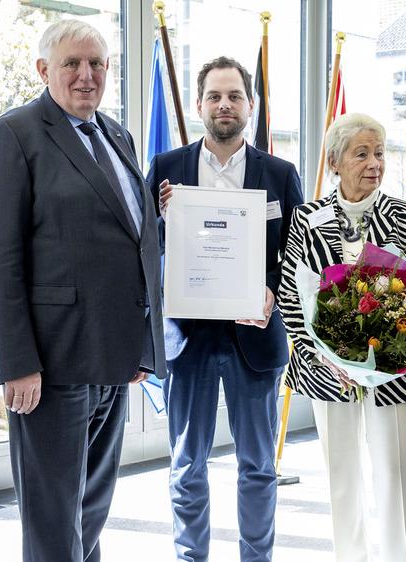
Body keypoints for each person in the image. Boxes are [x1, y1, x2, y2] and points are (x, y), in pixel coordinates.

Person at [0, 20, 165, 562]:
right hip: (49, 367)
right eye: (72, 64)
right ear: (43, 70)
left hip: (113, 359)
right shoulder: (13, 135)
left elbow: (130, 241)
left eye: (96, 63)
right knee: (54, 525)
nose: (86, 75)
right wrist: (16, 362)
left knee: (90, 515)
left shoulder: (117, 135)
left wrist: (142, 345)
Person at [147, 56, 303, 562]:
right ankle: (190, 557)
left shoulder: (279, 174)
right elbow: (144, 248)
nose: (224, 105)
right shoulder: (166, 168)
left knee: (257, 466)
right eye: (214, 96)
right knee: (186, 465)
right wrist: (162, 217)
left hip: (253, 337)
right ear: (199, 104)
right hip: (187, 338)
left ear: (250, 105)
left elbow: (298, 255)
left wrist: (272, 293)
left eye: (235, 96)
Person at [278, 113, 406, 562]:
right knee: (342, 479)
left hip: (396, 373)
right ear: (334, 161)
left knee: (395, 477)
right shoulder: (306, 219)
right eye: (361, 154)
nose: (374, 163)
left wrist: (394, 352)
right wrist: (326, 358)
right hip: (327, 373)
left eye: (379, 153)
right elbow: (292, 298)